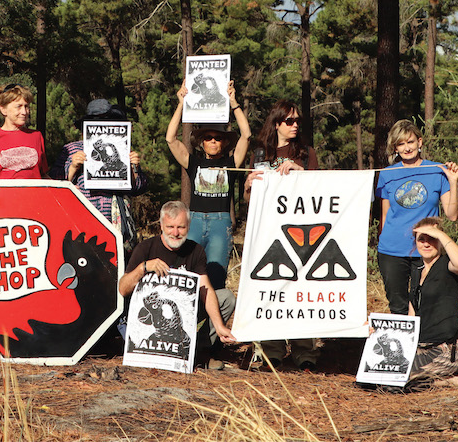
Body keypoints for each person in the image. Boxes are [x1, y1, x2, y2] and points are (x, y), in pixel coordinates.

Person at [244, 100, 321, 370]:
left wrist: (301, 172)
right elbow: (249, 199)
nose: (295, 125)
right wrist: (248, 185)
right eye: (290, 121)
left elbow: (320, 190)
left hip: (301, 232)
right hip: (269, 232)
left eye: (298, 120)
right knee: (271, 287)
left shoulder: (306, 153)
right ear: (276, 123)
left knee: (300, 290)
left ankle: (304, 352)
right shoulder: (260, 154)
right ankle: (272, 350)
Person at [119, 201, 236, 369]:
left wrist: (219, 326)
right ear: (161, 226)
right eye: (170, 227)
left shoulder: (196, 250)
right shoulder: (145, 248)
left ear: (188, 226)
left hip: (185, 314)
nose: (175, 233)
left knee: (226, 298)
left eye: (181, 227)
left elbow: (206, 290)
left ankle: (199, 351)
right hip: (149, 320)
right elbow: (123, 289)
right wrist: (143, 268)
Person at [164, 80, 251, 288]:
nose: (213, 141)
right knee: (188, 275)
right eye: (208, 137)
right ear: (201, 142)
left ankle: (214, 310)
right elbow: (170, 139)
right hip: (193, 221)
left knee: (216, 276)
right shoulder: (193, 162)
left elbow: (246, 135)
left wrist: (234, 103)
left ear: (224, 142)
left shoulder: (231, 163)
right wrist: (181, 104)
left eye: (218, 138)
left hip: (221, 223)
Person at [376, 120, 458, 315]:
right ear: (395, 148)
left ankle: (425, 337)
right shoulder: (387, 174)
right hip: (392, 250)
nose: (407, 148)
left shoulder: (437, 170)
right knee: (398, 306)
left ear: (419, 142)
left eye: (410, 142)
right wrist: (383, 241)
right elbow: (385, 214)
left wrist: (453, 182)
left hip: (425, 249)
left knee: (424, 304)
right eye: (401, 144)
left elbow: (452, 215)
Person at [50, 99, 148, 257]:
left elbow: (139, 187)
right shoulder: (71, 149)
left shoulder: (122, 147)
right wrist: (73, 167)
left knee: (115, 262)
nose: (102, 125)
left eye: (107, 121)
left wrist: (133, 168)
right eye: (96, 122)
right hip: (82, 220)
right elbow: (54, 185)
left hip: (114, 222)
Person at [406, 217, 458, 388]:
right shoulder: (417, 270)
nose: (426, 244)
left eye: (432, 238)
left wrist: (440, 234)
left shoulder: (447, 265)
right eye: (421, 239)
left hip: (446, 348)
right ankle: (443, 380)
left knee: (404, 379)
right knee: (385, 375)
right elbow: (412, 315)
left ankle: (449, 380)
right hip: (422, 346)